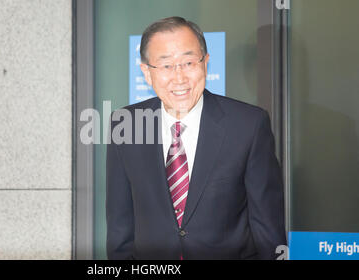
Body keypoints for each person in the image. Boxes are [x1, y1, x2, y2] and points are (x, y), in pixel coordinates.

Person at [106, 16, 286, 260]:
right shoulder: (126, 125)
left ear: (205, 63)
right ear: (147, 73)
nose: (179, 78)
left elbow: (268, 230)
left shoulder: (248, 125)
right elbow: (120, 227)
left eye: (189, 62)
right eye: (167, 66)